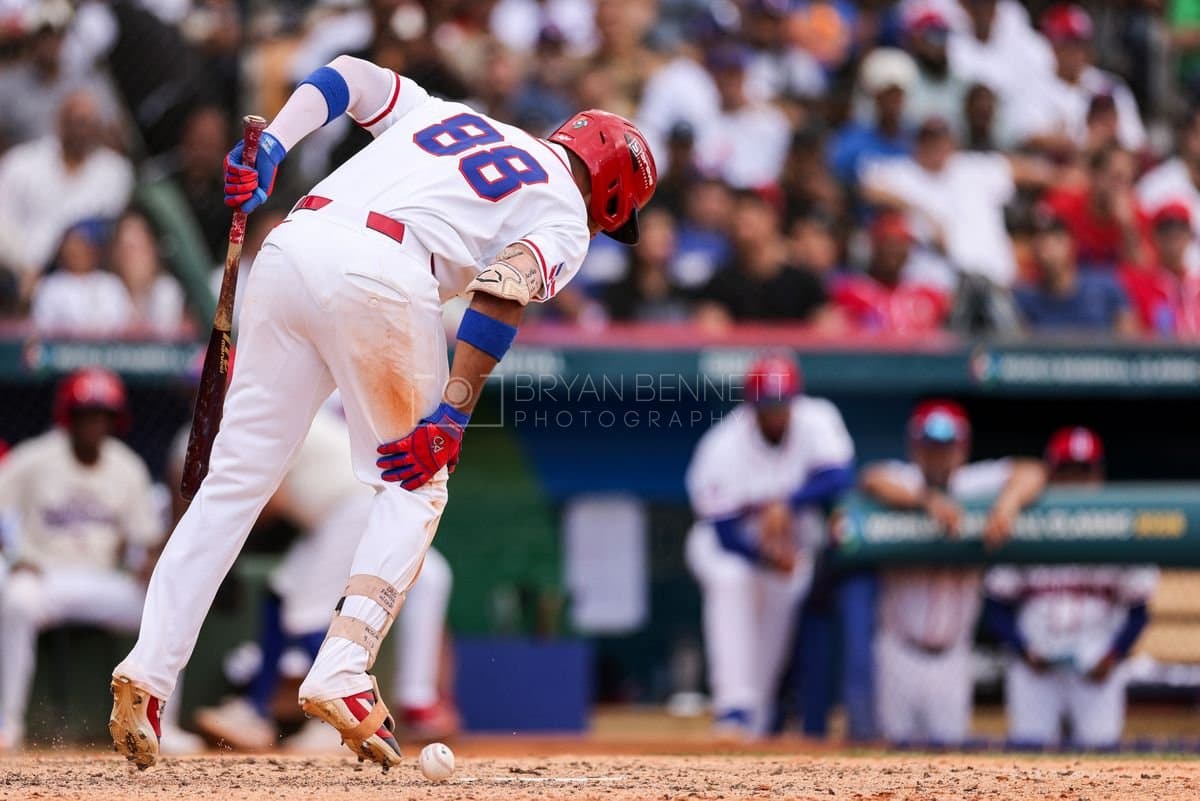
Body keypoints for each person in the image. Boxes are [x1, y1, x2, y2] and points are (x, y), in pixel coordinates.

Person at [107, 53, 656, 771]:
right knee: (419, 480)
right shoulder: (566, 213)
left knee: (232, 485)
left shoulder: (451, 113)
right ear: (613, 193)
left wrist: (274, 142)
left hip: (291, 249)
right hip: (382, 274)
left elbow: (349, 75)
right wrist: (454, 414)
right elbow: (499, 289)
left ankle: (148, 672)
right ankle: (343, 666)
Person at [191, 406, 457, 750]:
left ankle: (344, 722)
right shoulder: (274, 409)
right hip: (340, 513)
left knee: (305, 617)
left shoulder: (260, 415)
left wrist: (210, 544)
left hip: (352, 509)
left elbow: (272, 502)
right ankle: (255, 712)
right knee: (281, 591)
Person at [0, 369, 196, 754]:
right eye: (86, 414)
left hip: (103, 579)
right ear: (68, 417)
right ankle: (7, 724)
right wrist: (16, 556)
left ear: (114, 420)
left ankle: (161, 725)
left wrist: (149, 560)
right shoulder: (34, 458)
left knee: (171, 608)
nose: (94, 423)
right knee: (17, 600)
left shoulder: (127, 467)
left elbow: (143, 539)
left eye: (102, 415)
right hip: (46, 578)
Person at [685, 355, 854, 739]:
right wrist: (764, 557)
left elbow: (841, 474)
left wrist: (788, 504)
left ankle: (753, 718)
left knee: (776, 621)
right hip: (727, 546)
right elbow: (725, 532)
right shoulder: (722, 445)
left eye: (783, 404)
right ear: (751, 405)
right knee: (732, 580)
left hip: (788, 545)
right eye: (768, 406)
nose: (777, 414)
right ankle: (732, 707)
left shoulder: (816, 418)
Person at [860, 400, 1046, 745]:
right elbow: (872, 477)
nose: (938, 455)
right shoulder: (905, 479)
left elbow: (1033, 471)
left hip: (953, 656)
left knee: (950, 764)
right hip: (898, 650)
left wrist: (1009, 502)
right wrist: (926, 502)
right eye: (929, 446)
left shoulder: (975, 484)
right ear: (914, 447)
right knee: (890, 759)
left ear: (963, 448)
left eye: (947, 447)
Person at [984, 426, 1157, 748]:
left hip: (1096, 664)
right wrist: (1023, 649)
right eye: (1067, 471)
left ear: (1098, 474)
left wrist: (1113, 655)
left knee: (1102, 760)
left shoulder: (1121, 523)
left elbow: (1139, 610)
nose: (1076, 481)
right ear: (1052, 474)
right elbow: (996, 605)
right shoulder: (1027, 521)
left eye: (1083, 471)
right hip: (1036, 663)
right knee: (1027, 758)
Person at [0, 90, 133, 286]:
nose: (83, 131)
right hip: (17, 272)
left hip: (87, 278)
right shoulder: (20, 162)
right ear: (60, 122)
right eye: (77, 122)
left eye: (90, 123)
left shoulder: (115, 172)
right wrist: (23, 268)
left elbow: (109, 231)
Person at [695, 190, 830, 326]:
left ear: (772, 219)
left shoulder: (803, 283)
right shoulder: (720, 284)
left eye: (751, 218)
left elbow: (827, 323)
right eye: (739, 219)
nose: (744, 226)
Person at [1013, 205, 1136, 335]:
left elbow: (1129, 343)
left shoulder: (1105, 288)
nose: (1046, 246)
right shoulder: (1024, 299)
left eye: (1056, 238)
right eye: (1039, 239)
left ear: (1071, 243)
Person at [832, 212, 951, 335]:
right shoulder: (850, 292)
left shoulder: (929, 297)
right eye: (887, 242)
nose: (893, 250)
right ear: (874, 246)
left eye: (900, 243)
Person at [1041, 146, 1149, 270]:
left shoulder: (1137, 216)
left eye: (1128, 180)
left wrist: (1127, 227)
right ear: (1095, 175)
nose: (1122, 188)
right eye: (1116, 178)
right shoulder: (1063, 207)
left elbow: (1143, 271)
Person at [31, 219, 135, 337]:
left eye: (83, 244)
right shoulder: (50, 286)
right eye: (72, 245)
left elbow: (126, 328)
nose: (77, 251)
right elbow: (42, 331)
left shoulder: (111, 284)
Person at [830, 48, 916, 188]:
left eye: (897, 95)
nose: (893, 102)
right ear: (874, 97)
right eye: (887, 95)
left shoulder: (916, 139)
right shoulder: (851, 141)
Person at [1120, 202, 1200, 338]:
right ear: (1154, 236)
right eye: (1166, 231)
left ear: (1189, 235)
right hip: (1158, 357)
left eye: (1180, 229)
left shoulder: (1196, 283)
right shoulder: (1137, 282)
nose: (1174, 237)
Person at [109, 211, 187, 337]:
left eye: (137, 248)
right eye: (125, 249)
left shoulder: (166, 289)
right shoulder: (108, 288)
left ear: (152, 250)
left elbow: (165, 336)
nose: (131, 258)